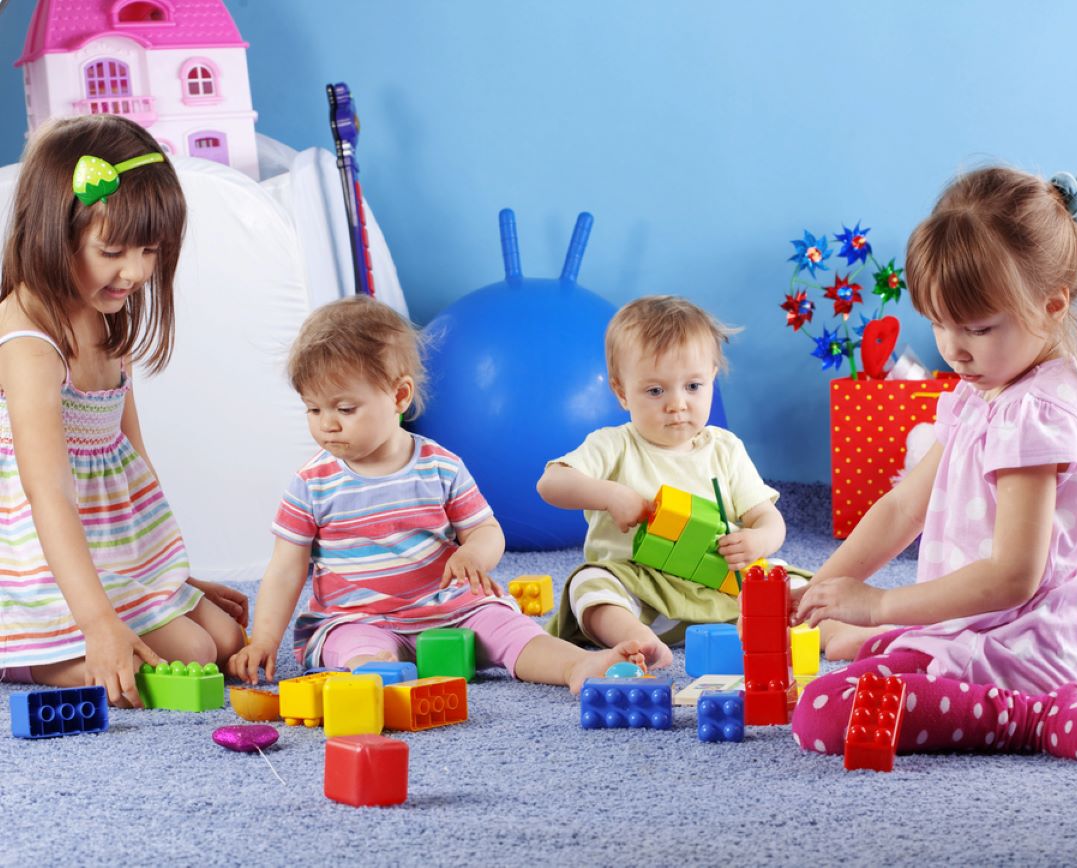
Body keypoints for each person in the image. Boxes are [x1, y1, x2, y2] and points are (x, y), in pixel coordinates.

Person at [789, 166, 1077, 765]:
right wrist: (814, 591)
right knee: (858, 642)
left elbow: (1012, 577)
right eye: (939, 323)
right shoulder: (983, 389)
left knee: (824, 713)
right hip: (989, 628)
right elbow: (905, 506)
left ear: (1052, 306)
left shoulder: (1034, 416)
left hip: (1016, 649)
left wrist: (878, 604)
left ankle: (1041, 712)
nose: (953, 348)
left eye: (976, 328)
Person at [228, 295, 645, 691]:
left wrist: (473, 554)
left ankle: (576, 665)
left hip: (451, 609)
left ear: (399, 395)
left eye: (345, 408)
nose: (327, 424)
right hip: (355, 618)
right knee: (360, 651)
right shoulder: (311, 483)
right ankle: (378, 684)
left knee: (508, 626)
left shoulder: (439, 465)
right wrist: (263, 639)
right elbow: (286, 568)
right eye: (313, 410)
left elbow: (487, 530)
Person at [0, 116, 247, 707]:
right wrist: (98, 623)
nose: (135, 272)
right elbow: (49, 496)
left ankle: (112, 623)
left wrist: (166, 576)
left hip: (108, 551)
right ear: (55, 234)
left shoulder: (105, 317)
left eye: (150, 252)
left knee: (225, 636)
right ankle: (30, 660)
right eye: (112, 251)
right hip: (36, 564)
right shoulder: (31, 345)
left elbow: (132, 459)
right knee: (189, 653)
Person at [538, 295, 792, 668]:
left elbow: (768, 518)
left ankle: (836, 633)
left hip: (718, 589)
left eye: (693, 386)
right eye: (656, 391)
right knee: (588, 583)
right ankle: (637, 641)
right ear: (622, 392)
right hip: (641, 592)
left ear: (712, 381)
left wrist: (758, 540)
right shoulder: (614, 444)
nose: (677, 404)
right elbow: (550, 483)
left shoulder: (724, 448)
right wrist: (609, 495)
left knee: (790, 581)